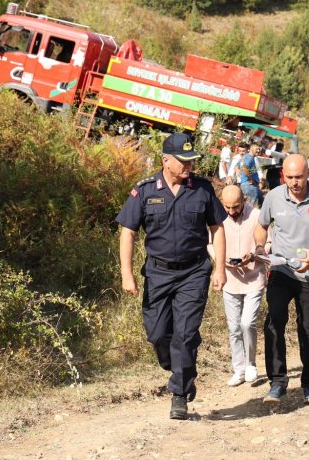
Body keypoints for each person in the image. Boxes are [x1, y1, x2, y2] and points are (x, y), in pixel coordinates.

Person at [118, 133, 227, 420]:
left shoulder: (201, 189)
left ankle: (179, 393)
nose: (189, 166)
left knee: (185, 334)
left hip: (194, 272)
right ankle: (178, 365)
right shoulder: (144, 191)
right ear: (166, 161)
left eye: (192, 161)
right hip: (158, 273)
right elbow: (128, 232)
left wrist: (221, 268)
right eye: (183, 161)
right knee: (157, 334)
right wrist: (126, 274)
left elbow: (217, 228)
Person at [255, 154, 309, 405]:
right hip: (282, 271)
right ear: (283, 175)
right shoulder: (273, 197)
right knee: (274, 322)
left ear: (308, 174)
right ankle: (278, 381)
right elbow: (261, 225)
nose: (295, 182)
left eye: (299, 177)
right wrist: (261, 248)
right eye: (290, 177)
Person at [211, 185, 264, 386]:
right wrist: (220, 260)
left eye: (236, 207)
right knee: (234, 327)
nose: (232, 211)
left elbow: (267, 244)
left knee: (247, 322)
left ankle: (251, 364)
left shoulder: (257, 215)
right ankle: (238, 368)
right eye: (227, 207)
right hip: (229, 278)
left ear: (244, 201)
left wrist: (253, 256)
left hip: (254, 277)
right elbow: (210, 244)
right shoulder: (217, 217)